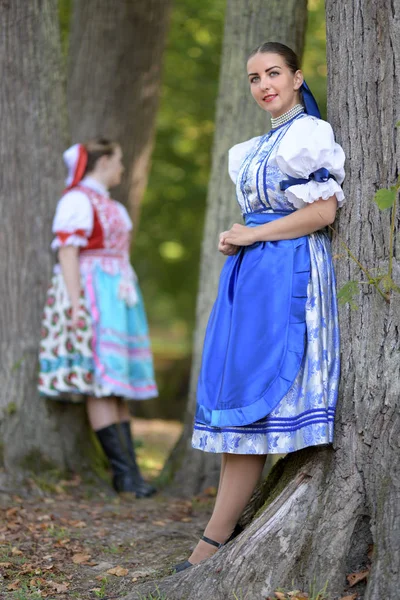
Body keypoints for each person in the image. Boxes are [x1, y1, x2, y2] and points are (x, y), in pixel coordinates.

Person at [175, 42, 345, 571]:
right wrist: (239, 241)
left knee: (259, 399)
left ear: (297, 77)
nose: (264, 84)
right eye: (254, 78)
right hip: (251, 278)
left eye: (274, 73)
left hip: (289, 271)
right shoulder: (247, 149)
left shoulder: (310, 136)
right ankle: (217, 535)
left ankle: (213, 540)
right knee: (240, 398)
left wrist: (253, 234)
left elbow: (323, 212)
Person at [38, 139, 158, 498]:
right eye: (119, 159)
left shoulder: (111, 206)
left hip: (117, 293)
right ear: (103, 161)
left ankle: (131, 475)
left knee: (116, 386)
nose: (123, 167)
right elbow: (69, 253)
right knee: (101, 383)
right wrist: (76, 304)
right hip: (93, 292)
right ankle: (124, 477)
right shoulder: (76, 200)